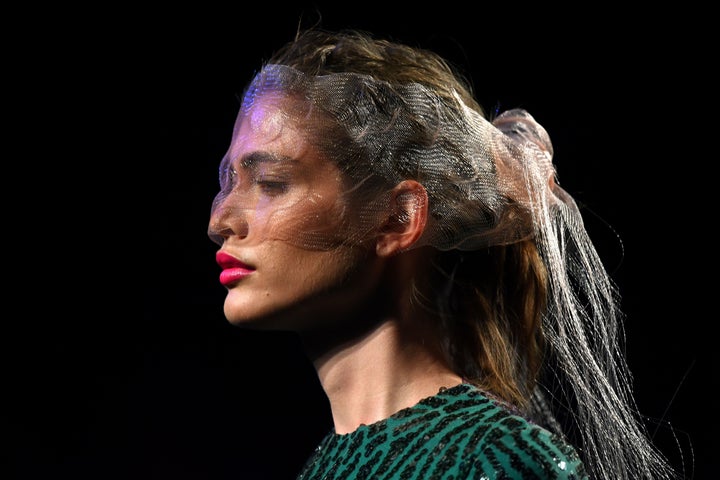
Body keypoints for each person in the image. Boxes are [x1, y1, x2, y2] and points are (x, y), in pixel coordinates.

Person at [207, 28, 679, 479]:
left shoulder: (498, 460)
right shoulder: (326, 467)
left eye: (270, 183)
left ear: (398, 218)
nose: (219, 222)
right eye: (227, 183)